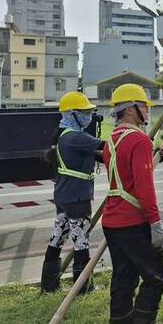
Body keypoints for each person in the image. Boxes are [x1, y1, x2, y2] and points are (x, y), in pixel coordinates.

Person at [102, 83, 163, 324]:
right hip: (134, 222)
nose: (146, 110)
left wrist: (156, 158)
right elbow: (144, 188)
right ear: (130, 110)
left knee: (124, 277)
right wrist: (155, 222)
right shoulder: (140, 139)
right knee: (157, 275)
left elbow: (128, 177)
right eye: (143, 106)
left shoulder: (112, 140)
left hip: (112, 222)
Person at [41, 91, 104, 294]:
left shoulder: (65, 136)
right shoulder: (76, 137)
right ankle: (84, 287)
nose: (88, 115)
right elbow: (107, 146)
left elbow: (97, 155)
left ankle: (49, 285)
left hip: (64, 196)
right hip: (77, 197)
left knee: (58, 236)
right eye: (84, 112)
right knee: (81, 240)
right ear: (71, 114)